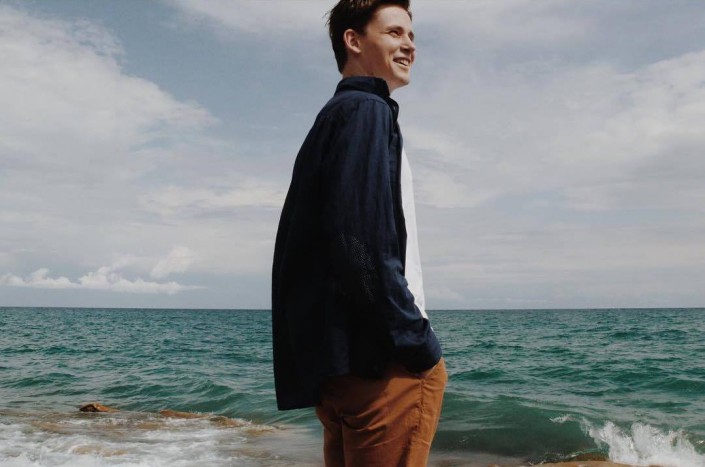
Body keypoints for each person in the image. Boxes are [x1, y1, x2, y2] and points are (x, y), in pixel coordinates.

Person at [272, 0, 446, 465]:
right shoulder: (368, 110)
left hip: (342, 366)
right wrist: (413, 341)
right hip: (383, 369)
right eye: (394, 33)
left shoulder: (334, 116)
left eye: (411, 36)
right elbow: (358, 240)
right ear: (353, 40)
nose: (409, 45)